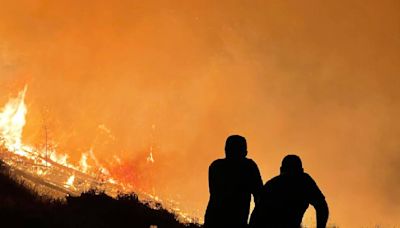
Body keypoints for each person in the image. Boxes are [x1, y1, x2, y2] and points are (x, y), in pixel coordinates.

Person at [249, 155, 329, 228]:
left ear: (281, 170)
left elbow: (322, 207)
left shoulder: (272, 184)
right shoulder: (304, 181)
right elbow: (322, 207)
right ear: (301, 170)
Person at [204, 135, 263, 228]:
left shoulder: (215, 166)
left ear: (226, 150)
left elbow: (214, 193)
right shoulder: (249, 167)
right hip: (237, 220)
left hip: (213, 219)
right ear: (245, 152)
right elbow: (259, 197)